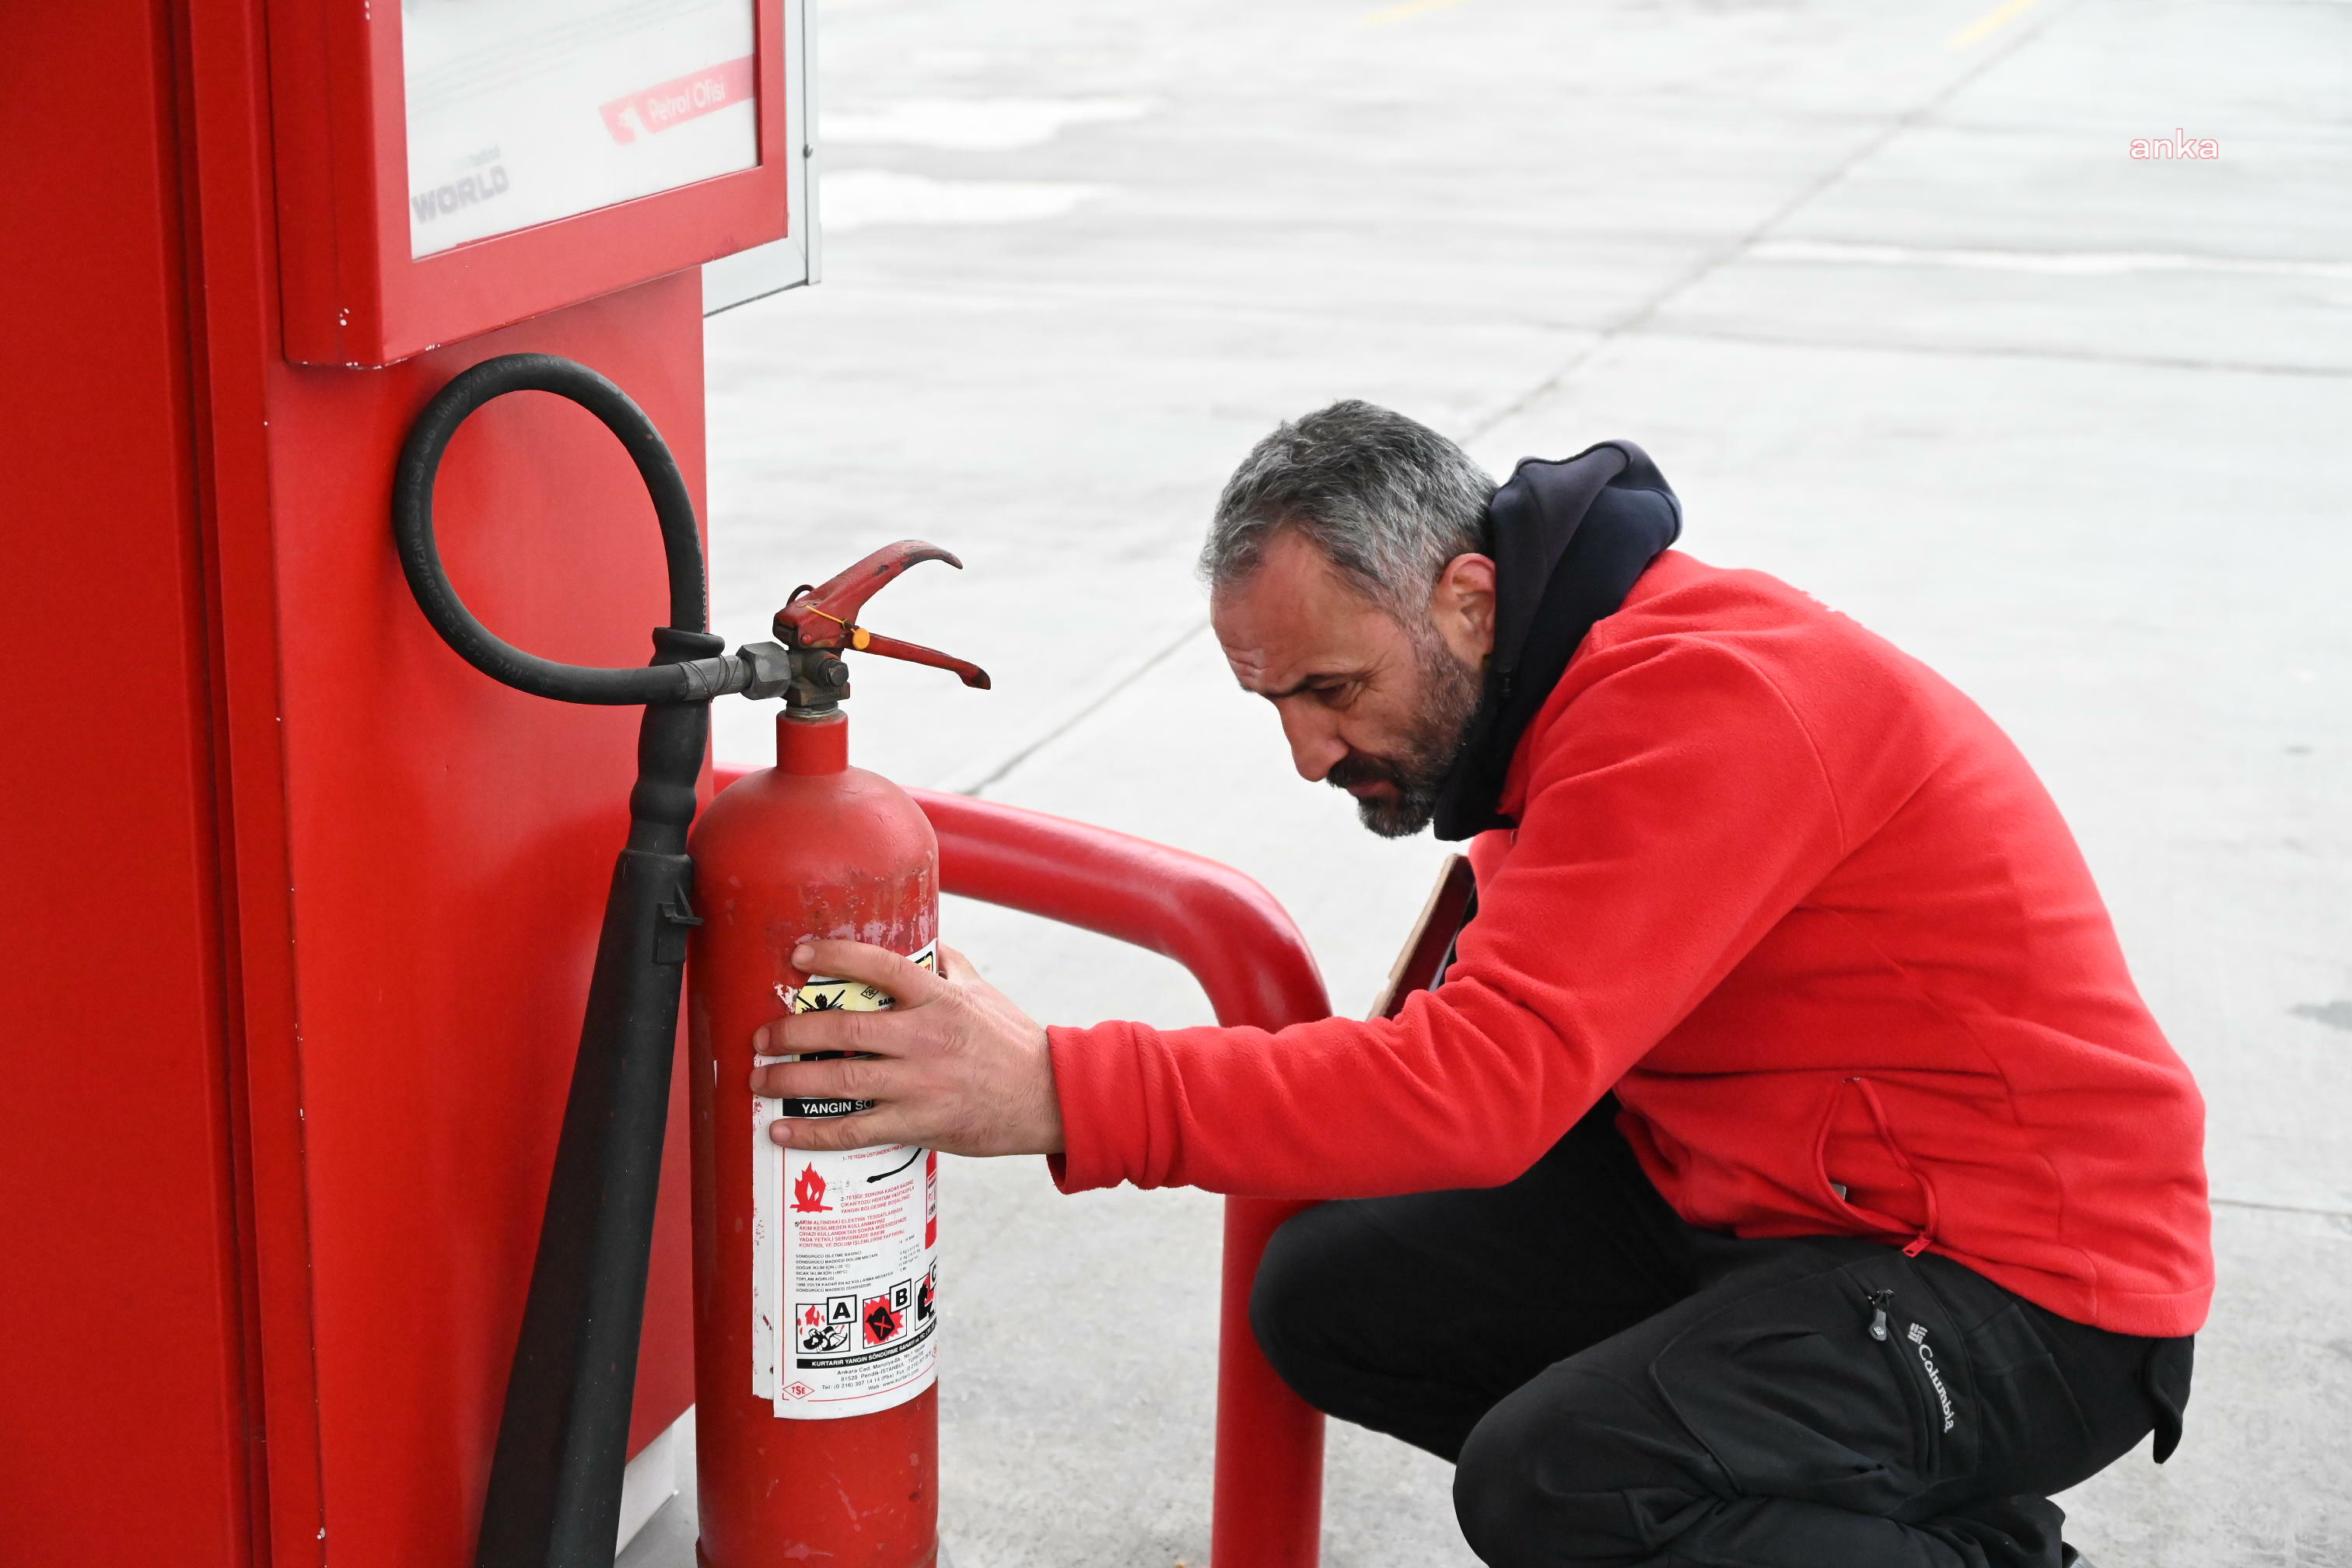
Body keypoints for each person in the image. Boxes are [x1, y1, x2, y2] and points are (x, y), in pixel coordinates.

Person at [749, 402, 2211, 1568]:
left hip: (2018, 1284)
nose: (1309, 756)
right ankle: (1907, 1524)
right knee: (1334, 1293)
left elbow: (1484, 1086)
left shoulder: (1703, 703)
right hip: (1782, 1213)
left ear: (1464, 600)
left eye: (1331, 691)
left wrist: (1059, 1085)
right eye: (1276, 706)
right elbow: (1466, 1068)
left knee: (1574, 1482)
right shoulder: (1556, 697)